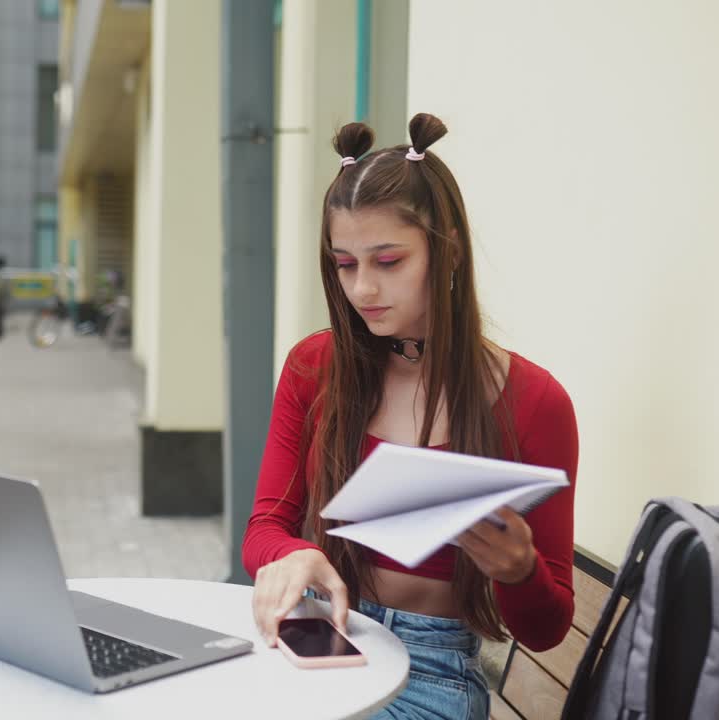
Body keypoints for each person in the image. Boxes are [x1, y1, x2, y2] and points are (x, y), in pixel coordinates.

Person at [243, 114, 579, 719]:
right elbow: (264, 527)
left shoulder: (533, 401)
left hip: (434, 668)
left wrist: (519, 569)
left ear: (446, 248)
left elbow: (550, 628)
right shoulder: (314, 368)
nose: (363, 289)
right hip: (318, 636)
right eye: (344, 264)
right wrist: (289, 556)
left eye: (388, 261)